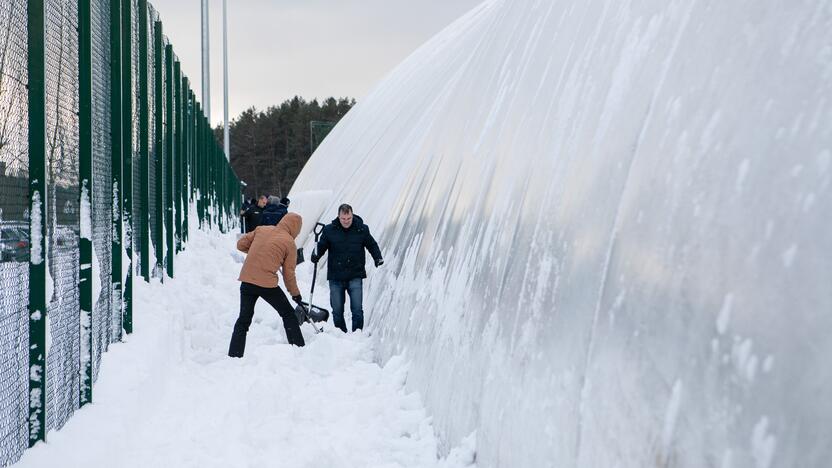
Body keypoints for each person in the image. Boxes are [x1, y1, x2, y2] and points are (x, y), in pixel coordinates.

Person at [228, 212, 306, 357]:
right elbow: (289, 275)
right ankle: (298, 348)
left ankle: (234, 354)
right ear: (296, 228)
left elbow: (240, 244)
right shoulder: (289, 243)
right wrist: (295, 294)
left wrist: (256, 251)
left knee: (244, 319)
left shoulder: (262, 229)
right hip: (266, 285)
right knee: (288, 313)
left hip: (247, 281)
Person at [311, 204, 383, 332]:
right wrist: (315, 255)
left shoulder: (361, 229)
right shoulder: (329, 230)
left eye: (348, 218)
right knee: (337, 310)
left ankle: (357, 334)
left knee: (357, 310)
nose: (346, 221)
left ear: (352, 215)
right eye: (343, 219)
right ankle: (341, 334)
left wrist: (377, 257)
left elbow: (371, 244)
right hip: (336, 277)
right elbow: (321, 246)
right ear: (338, 216)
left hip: (355, 274)